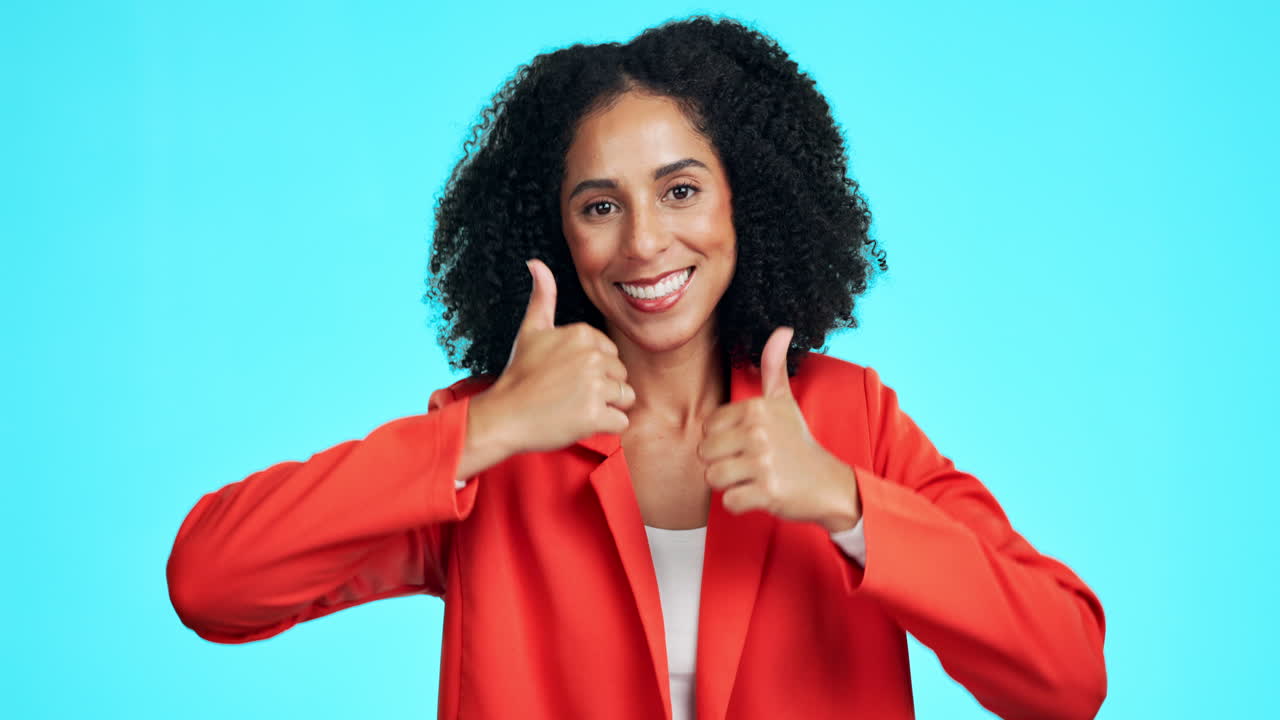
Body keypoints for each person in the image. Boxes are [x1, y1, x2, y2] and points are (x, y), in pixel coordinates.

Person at [166, 15, 1107, 720]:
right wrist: (488, 426)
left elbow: (1067, 677)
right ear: (554, 233)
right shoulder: (490, 446)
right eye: (600, 206)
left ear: (747, 201)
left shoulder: (849, 421)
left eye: (681, 190)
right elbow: (211, 583)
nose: (646, 242)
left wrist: (842, 500)